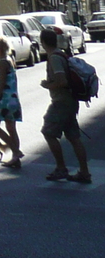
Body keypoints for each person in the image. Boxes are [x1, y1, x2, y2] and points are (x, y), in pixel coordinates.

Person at [38, 26, 91, 184]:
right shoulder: (62, 54)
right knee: (74, 137)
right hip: (70, 102)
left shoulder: (54, 58)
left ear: (43, 42)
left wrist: (47, 85)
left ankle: (61, 168)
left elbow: (62, 81)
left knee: (48, 132)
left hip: (62, 103)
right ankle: (84, 173)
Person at [0, 35, 23, 169]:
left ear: (2, 47)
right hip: (12, 98)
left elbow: (1, 84)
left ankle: (16, 151)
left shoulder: (3, 62)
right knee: (11, 128)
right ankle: (16, 158)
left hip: (5, 99)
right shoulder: (9, 59)